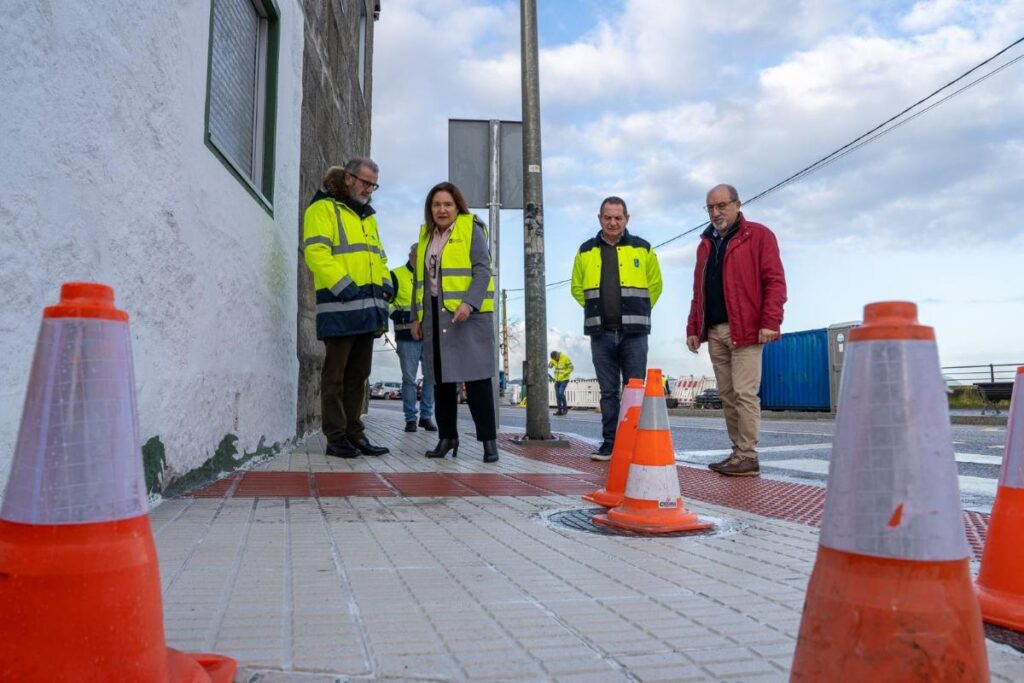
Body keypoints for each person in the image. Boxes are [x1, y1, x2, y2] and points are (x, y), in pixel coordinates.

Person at [686, 184, 787, 477]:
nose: (716, 213)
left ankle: (748, 455)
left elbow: (775, 282)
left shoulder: (758, 235)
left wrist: (771, 321)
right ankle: (737, 453)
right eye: (710, 208)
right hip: (715, 330)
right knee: (728, 395)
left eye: (721, 206)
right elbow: (698, 291)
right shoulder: (705, 244)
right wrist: (694, 327)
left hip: (746, 328)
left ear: (738, 204)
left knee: (744, 393)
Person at [302, 158, 392, 458]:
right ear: (349, 178)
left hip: (368, 310)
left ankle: (355, 433)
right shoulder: (323, 208)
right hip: (341, 307)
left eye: (374, 185)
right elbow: (315, 252)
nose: (369, 189)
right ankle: (336, 437)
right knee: (335, 376)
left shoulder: (369, 217)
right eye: (366, 182)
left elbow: (377, 257)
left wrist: (386, 283)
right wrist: (343, 285)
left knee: (359, 376)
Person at [410, 182, 499, 463]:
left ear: (457, 205)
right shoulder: (425, 235)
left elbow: (483, 269)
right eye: (436, 204)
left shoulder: (471, 227)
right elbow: (419, 281)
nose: (442, 209)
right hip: (435, 314)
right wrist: (416, 316)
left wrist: (469, 303)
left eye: (447, 204)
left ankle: (489, 443)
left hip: (468, 315)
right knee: (440, 380)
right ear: (430, 209)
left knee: (477, 381)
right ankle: (447, 437)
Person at [571, 196, 662, 460]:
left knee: (634, 390)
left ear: (626, 219)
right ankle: (610, 443)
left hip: (635, 333)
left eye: (618, 218)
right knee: (608, 392)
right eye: (607, 217)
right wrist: (595, 310)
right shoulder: (585, 250)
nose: (613, 222)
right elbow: (577, 288)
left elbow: (655, 286)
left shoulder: (642, 248)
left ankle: (633, 443)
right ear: (600, 218)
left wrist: (638, 311)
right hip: (600, 333)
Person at [390, 243, 436, 433]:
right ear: (411, 255)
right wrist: (403, 316)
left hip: (428, 337)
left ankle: (426, 417)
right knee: (409, 379)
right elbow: (387, 304)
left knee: (431, 378)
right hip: (406, 336)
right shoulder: (396, 274)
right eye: (418, 256)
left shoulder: (431, 276)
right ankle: (410, 419)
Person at [548, 350, 573, 416]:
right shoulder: (553, 359)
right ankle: (559, 411)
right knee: (557, 396)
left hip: (564, 379)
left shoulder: (565, 358)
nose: (555, 359)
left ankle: (565, 409)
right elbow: (550, 366)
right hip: (557, 380)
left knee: (561, 393)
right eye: (553, 359)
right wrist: (550, 363)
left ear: (557, 355)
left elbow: (571, 368)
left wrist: (565, 373)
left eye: (555, 358)